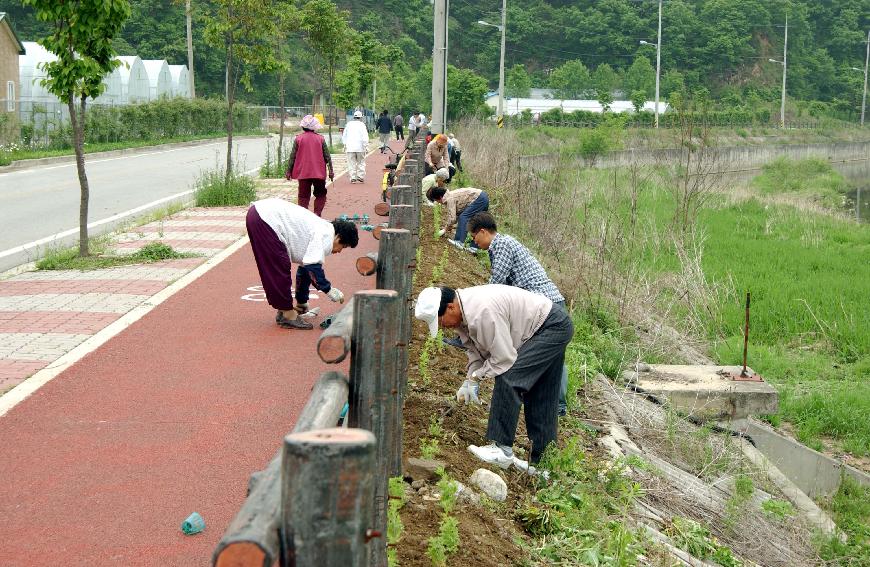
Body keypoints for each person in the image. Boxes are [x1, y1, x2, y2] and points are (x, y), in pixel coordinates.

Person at [414, 285, 573, 468]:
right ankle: (543, 465)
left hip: (550, 326)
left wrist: (476, 378)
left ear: (451, 307)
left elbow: (504, 358)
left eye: (441, 321)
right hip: (549, 324)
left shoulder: (481, 312)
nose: (443, 327)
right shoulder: (464, 315)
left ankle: (501, 449)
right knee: (541, 393)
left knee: (509, 377)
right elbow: (477, 353)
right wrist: (469, 378)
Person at [468, 212, 570, 416]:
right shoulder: (498, 247)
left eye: (474, 237)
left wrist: (474, 303)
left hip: (546, 304)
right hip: (540, 304)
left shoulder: (502, 244)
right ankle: (545, 400)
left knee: (552, 356)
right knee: (544, 354)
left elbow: (497, 283)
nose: (474, 242)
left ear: (483, 231)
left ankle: (557, 406)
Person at [246, 198, 359, 330]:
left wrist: (302, 301)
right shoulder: (325, 235)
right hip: (265, 218)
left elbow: (306, 269)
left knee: (278, 265)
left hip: (260, 214)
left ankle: (286, 310)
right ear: (338, 238)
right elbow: (312, 267)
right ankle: (287, 315)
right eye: (343, 246)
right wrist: (328, 289)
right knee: (278, 267)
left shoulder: (324, 228)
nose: (339, 251)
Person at [285, 115, 334, 217]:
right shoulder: (320, 139)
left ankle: (304, 217)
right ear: (315, 127)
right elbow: (327, 157)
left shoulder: (298, 139)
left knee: (303, 196)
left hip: (303, 173)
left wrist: (288, 171)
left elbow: (292, 156)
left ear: (303, 126)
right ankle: (317, 213)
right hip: (319, 173)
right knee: (321, 194)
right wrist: (331, 171)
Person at [342, 110, 369, 183]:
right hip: (360, 147)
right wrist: (366, 146)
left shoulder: (348, 124)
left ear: (354, 117)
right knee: (361, 162)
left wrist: (345, 144)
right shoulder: (362, 125)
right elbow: (365, 136)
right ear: (361, 117)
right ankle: (360, 176)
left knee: (351, 163)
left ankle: (353, 177)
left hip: (350, 147)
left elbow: (344, 135)